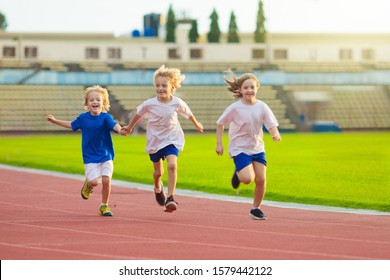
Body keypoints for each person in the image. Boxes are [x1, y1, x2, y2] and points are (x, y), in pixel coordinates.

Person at [122, 65, 203, 212]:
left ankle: (170, 198)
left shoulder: (177, 102)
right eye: (158, 85)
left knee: (172, 165)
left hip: (171, 139)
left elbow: (188, 113)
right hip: (155, 140)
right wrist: (129, 127)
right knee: (158, 173)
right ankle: (157, 188)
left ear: (172, 87)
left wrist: (197, 124)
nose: (160, 88)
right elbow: (138, 115)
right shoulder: (150, 104)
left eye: (164, 85)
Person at [47, 85, 123, 217]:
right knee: (95, 182)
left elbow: (114, 125)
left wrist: (120, 130)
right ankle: (88, 184)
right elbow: (71, 125)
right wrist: (55, 121)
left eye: (98, 100)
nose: (95, 102)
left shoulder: (106, 117)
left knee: (106, 181)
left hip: (106, 154)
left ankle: (104, 206)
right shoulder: (83, 118)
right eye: (91, 100)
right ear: (87, 104)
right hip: (90, 156)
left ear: (103, 103)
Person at [216, 70, 281, 220]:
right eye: (246, 88)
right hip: (240, 149)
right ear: (240, 90)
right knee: (247, 179)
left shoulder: (262, 106)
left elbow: (271, 123)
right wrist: (219, 144)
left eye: (252, 87)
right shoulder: (235, 108)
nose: (249, 90)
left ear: (257, 87)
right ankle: (239, 173)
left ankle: (255, 208)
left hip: (257, 148)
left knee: (261, 180)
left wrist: (275, 133)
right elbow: (220, 123)